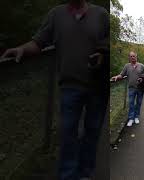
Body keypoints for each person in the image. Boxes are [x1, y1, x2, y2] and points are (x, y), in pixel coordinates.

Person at [1, 0, 108, 180]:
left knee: (92, 131)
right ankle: (68, 176)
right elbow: (38, 42)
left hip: (98, 86)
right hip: (70, 86)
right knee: (68, 134)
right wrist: (21, 49)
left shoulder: (101, 15)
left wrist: (103, 54)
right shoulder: (56, 15)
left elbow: (109, 43)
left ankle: (85, 173)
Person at [111, 51, 144, 127]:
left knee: (138, 103)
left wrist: (142, 78)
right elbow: (122, 74)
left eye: (134, 56)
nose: (132, 57)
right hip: (131, 88)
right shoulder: (127, 66)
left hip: (140, 88)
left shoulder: (141, 65)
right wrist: (117, 77)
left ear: (136, 57)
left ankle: (136, 117)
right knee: (131, 103)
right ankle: (131, 118)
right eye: (131, 56)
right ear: (129, 58)